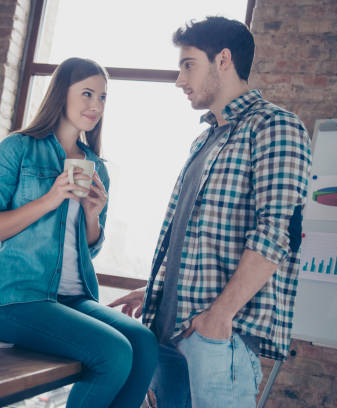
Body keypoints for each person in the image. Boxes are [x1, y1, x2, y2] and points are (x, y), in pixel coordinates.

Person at [109, 17, 312, 407]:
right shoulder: (205, 139)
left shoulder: (275, 126)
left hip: (217, 339)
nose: (179, 80)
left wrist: (219, 316)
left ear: (222, 60)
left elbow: (277, 232)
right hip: (168, 336)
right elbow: (188, 235)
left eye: (188, 65)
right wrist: (156, 291)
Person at [0, 57, 158, 408]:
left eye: (103, 97)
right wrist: (50, 199)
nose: (95, 105)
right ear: (61, 93)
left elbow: (87, 250)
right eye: (87, 93)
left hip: (73, 298)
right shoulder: (17, 149)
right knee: (114, 352)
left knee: (144, 344)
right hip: (15, 298)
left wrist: (92, 217)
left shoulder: (95, 165)